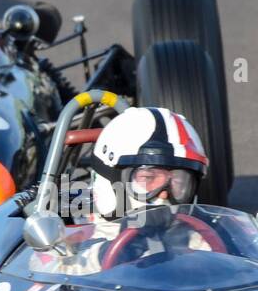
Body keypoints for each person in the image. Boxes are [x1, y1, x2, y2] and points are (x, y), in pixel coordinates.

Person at [30, 106, 214, 275]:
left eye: (179, 181)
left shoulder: (201, 234)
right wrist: (111, 254)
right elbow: (40, 275)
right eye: (148, 178)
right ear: (111, 177)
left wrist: (188, 248)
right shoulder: (71, 235)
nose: (165, 193)